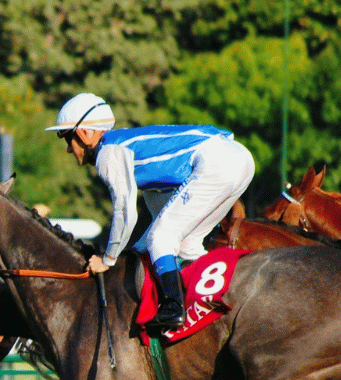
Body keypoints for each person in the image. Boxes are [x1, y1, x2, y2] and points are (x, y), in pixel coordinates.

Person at [48, 93, 256, 329]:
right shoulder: (139, 159)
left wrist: (108, 259)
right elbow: (161, 214)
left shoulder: (108, 152)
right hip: (239, 159)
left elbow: (125, 210)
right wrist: (136, 248)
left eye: (66, 138)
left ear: (85, 133)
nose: (68, 149)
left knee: (162, 238)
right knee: (186, 245)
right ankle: (213, 303)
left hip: (218, 162)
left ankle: (173, 308)